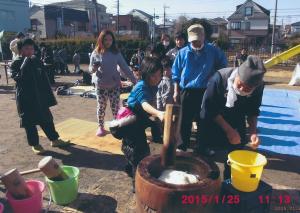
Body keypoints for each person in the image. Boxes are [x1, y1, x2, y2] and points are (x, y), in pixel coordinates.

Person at [199, 55, 265, 179]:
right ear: (237, 75)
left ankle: (229, 183)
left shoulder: (259, 87)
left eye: (247, 89)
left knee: (235, 154)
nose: (241, 89)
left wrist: (253, 132)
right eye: (240, 84)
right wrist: (228, 130)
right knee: (205, 159)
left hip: (236, 117)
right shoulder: (219, 78)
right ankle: (205, 182)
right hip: (212, 118)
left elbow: (252, 110)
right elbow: (209, 109)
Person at [172, 24, 227, 153]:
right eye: (193, 41)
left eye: (198, 40)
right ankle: (182, 146)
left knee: (204, 120)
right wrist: (175, 90)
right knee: (185, 120)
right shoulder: (183, 53)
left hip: (205, 90)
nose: (195, 43)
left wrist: (215, 78)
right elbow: (176, 73)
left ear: (203, 37)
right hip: (187, 90)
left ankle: (202, 147)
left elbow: (223, 66)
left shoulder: (213, 51)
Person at [10, 38, 69, 154]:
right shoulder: (16, 62)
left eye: (31, 48)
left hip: (39, 96)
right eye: (26, 48)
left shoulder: (36, 60)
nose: (30, 51)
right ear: (21, 49)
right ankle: (35, 144)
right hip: (25, 98)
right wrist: (25, 62)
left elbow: (43, 79)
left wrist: (48, 96)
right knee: (29, 122)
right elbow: (18, 78)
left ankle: (54, 139)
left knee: (46, 119)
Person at [122, 57, 164, 192]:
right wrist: (158, 113)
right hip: (130, 121)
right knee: (139, 153)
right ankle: (137, 186)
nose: (157, 78)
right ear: (145, 74)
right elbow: (145, 104)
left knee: (136, 148)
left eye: (159, 74)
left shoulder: (153, 85)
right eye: (153, 75)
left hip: (138, 120)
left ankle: (129, 165)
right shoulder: (141, 86)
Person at [89, 30, 136, 137]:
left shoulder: (116, 53)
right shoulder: (96, 53)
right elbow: (90, 69)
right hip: (100, 86)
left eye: (110, 39)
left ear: (113, 40)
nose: (108, 42)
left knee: (116, 107)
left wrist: (134, 80)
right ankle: (100, 127)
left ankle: (117, 126)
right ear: (101, 40)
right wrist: (94, 68)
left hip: (114, 85)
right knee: (101, 107)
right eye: (106, 39)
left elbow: (124, 67)